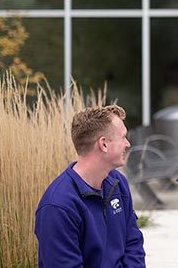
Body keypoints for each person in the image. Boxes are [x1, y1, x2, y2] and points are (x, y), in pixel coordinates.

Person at [35, 105, 145, 268]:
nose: (127, 144)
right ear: (104, 144)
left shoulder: (118, 183)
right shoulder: (58, 206)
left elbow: (133, 243)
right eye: (123, 137)